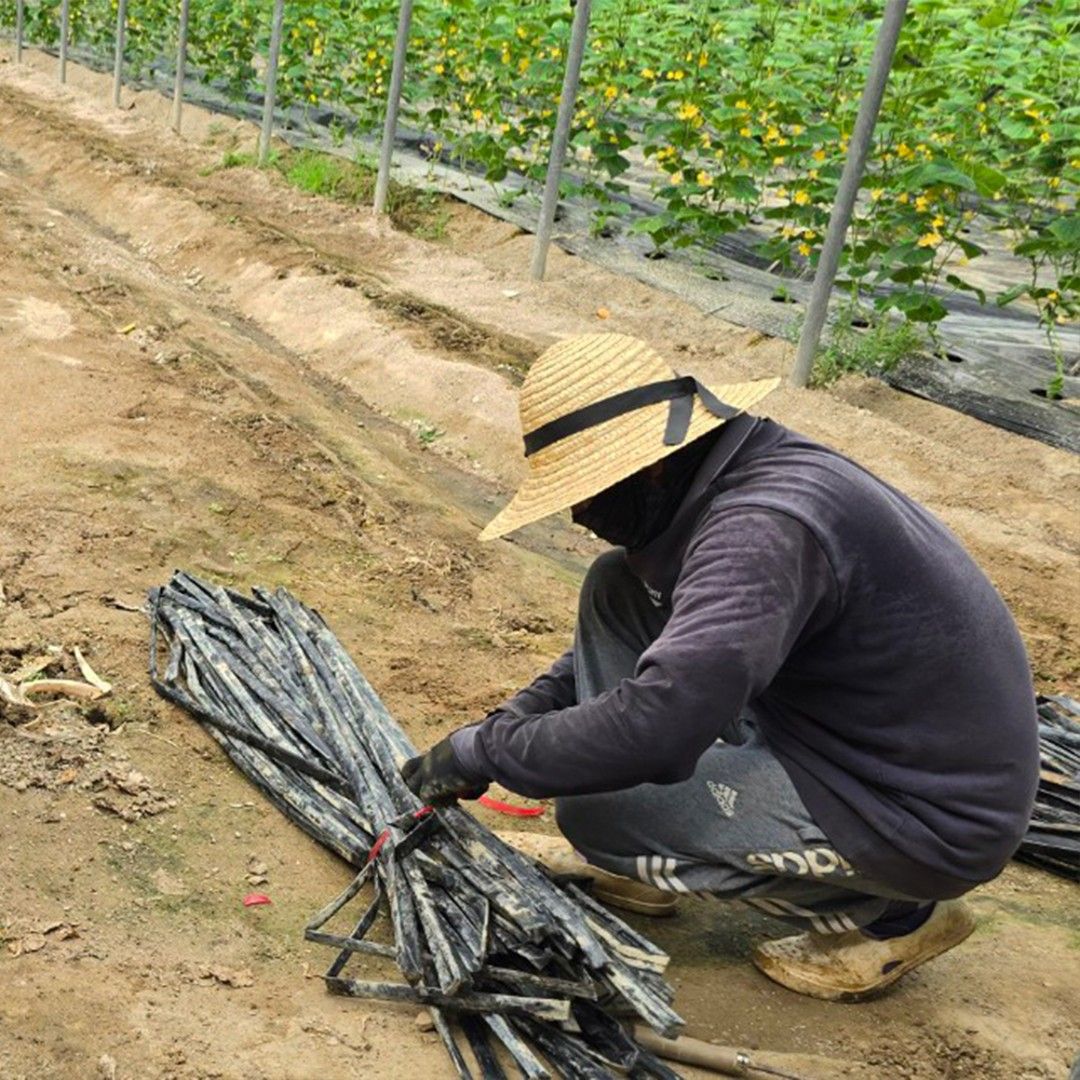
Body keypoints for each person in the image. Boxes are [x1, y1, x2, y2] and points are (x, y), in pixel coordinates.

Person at [402, 333, 1039, 1001]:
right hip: (851, 743)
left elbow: (658, 722)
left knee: (596, 817)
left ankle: (895, 917)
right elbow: (671, 657)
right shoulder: (735, 480)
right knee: (617, 584)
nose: (581, 513)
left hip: (923, 816)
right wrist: (515, 718)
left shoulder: (760, 528)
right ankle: (649, 861)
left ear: (650, 465)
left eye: (588, 491)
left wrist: (486, 752)